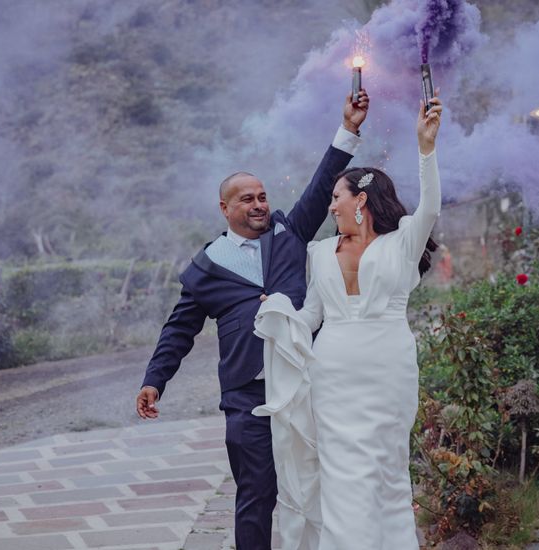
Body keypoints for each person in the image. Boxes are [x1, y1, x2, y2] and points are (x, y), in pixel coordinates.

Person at [136, 90, 369, 550]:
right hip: (248, 397)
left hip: (307, 385)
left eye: (263, 196)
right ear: (226, 208)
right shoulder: (204, 267)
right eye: (248, 199)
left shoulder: (290, 233)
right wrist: (154, 380)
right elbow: (179, 330)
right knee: (255, 497)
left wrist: (350, 128)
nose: (260, 204)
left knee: (325, 487)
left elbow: (323, 183)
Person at [255, 96, 442, 550]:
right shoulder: (318, 253)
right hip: (333, 372)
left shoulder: (403, 242)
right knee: (341, 474)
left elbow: (432, 206)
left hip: (389, 367)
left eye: (336, 198)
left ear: (360, 200)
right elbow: (310, 316)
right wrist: (278, 313)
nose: (331, 207)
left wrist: (426, 148)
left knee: (388, 472)